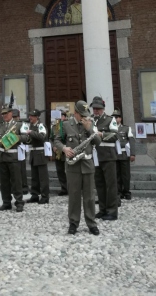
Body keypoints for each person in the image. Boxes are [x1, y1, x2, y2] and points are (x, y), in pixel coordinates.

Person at [55, 101, 102, 235]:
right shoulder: (65, 125)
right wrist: (64, 148)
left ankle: (91, 223)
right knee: (74, 196)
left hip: (87, 165)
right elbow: (57, 140)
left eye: (85, 115)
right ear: (75, 113)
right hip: (73, 166)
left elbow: (98, 142)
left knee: (89, 197)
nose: (84, 117)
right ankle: (73, 223)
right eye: (81, 115)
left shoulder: (90, 124)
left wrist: (89, 129)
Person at [91, 96, 119, 221]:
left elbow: (115, 135)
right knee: (100, 184)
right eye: (94, 109)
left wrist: (102, 134)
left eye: (98, 109)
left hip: (108, 155)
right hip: (96, 155)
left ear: (103, 109)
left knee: (110, 185)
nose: (96, 111)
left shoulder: (110, 120)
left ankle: (112, 211)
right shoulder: (91, 120)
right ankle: (102, 209)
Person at [0, 104, 24, 212]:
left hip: (13, 156)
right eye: (3, 114)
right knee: (4, 182)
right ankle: (6, 202)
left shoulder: (19, 125)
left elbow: (27, 137)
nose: (4, 115)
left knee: (16, 181)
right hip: (3, 156)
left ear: (11, 113)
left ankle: (19, 202)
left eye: (6, 113)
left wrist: (16, 137)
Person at [25, 109, 50, 204]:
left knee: (43, 177)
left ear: (37, 117)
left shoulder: (41, 126)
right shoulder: (31, 126)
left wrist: (31, 132)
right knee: (34, 177)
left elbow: (42, 136)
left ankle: (45, 196)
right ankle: (34, 195)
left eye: (32, 116)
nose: (30, 117)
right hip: (33, 153)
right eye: (29, 115)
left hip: (40, 154)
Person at [112, 109, 136, 200]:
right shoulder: (111, 129)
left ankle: (126, 191)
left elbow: (131, 141)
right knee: (117, 174)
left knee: (125, 174)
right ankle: (118, 192)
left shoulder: (126, 128)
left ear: (120, 119)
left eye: (117, 117)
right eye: (114, 117)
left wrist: (132, 154)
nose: (115, 119)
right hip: (114, 154)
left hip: (124, 153)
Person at [50, 109, 68, 196]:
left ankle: (71, 187)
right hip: (57, 152)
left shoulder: (68, 125)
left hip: (66, 150)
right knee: (60, 170)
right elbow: (51, 138)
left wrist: (63, 146)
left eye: (61, 116)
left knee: (68, 170)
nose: (59, 118)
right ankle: (64, 188)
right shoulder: (54, 126)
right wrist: (53, 146)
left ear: (64, 117)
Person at [13, 108, 28, 194]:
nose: (15, 118)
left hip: (21, 148)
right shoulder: (10, 125)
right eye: (14, 117)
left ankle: (24, 187)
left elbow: (26, 137)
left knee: (22, 169)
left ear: (19, 117)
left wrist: (15, 138)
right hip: (12, 150)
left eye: (16, 117)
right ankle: (15, 187)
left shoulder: (23, 124)